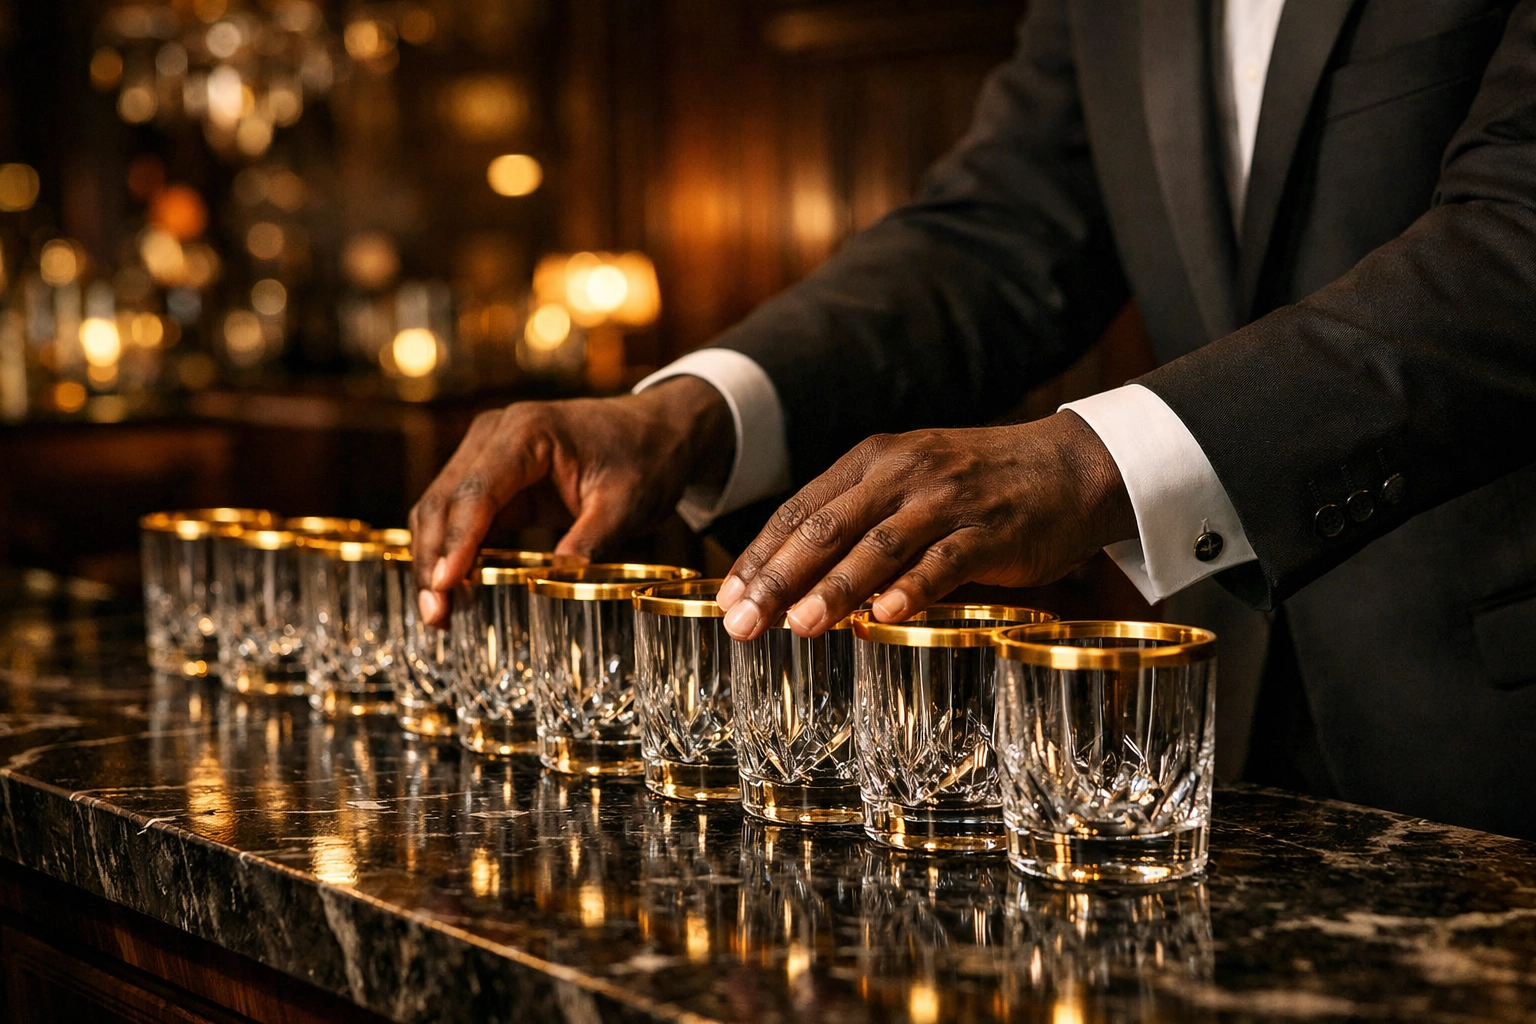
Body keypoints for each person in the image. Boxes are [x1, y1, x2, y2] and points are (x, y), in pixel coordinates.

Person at [411, 0, 1536, 838]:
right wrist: (691, 410)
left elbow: (1514, 239)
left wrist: (1094, 460)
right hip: (1213, 741)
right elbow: (1003, 231)